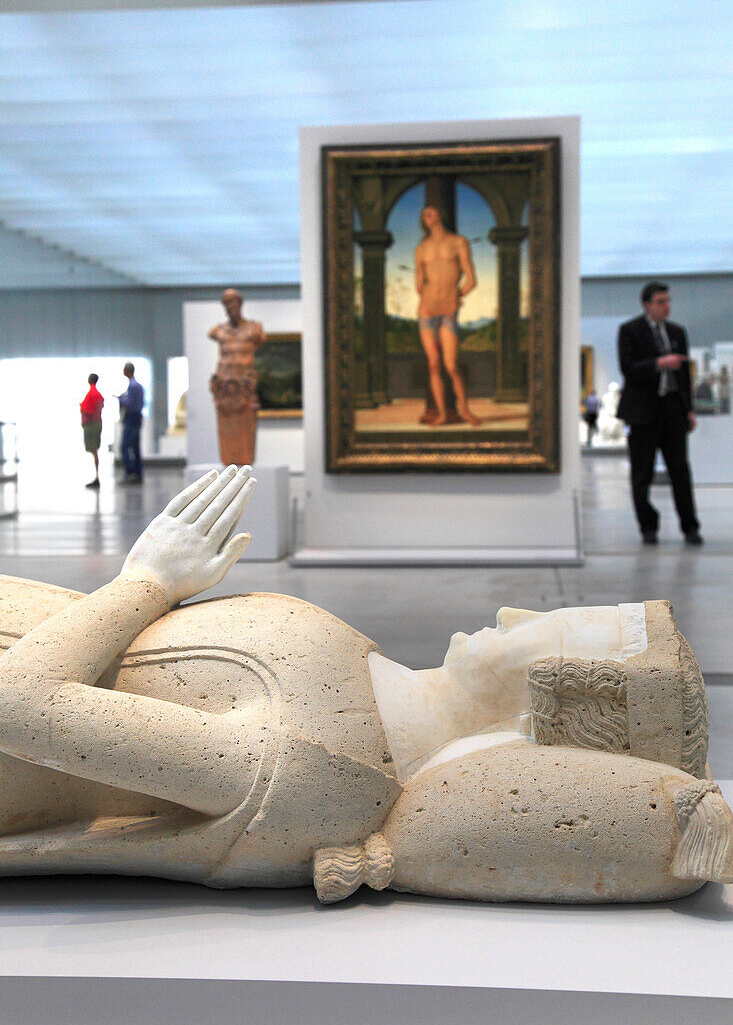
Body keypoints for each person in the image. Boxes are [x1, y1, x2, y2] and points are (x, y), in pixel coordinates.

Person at [0, 469, 730, 903]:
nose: (516, 613)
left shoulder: (319, 765)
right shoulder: (359, 673)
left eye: (556, 626)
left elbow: (18, 707)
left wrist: (146, 581)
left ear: (561, 700)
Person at [617, 282, 702, 545]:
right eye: (661, 302)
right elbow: (628, 368)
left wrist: (688, 409)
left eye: (668, 301)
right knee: (642, 473)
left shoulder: (677, 332)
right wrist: (659, 363)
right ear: (647, 305)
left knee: (680, 470)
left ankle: (690, 527)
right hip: (643, 411)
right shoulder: (630, 331)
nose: (667, 306)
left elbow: (684, 375)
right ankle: (648, 526)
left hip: (672, 409)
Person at [415, 206, 479, 426]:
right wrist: (429, 298)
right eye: (424, 214)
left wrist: (455, 296)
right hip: (426, 312)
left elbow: (471, 280)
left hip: (448, 312)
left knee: (451, 366)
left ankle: (466, 411)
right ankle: (442, 413)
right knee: (434, 364)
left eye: (431, 212)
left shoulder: (458, 242)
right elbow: (418, 283)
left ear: (441, 214)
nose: (427, 216)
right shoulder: (421, 248)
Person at [209, 288, 266, 465]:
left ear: (240, 304)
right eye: (225, 304)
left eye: (232, 302)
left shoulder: (254, 330)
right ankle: (229, 460)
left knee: (245, 431)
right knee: (226, 431)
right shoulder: (218, 331)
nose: (229, 307)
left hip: (245, 389)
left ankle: (244, 459)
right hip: (225, 390)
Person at [118, 362, 144, 484]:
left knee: (125, 445)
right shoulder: (137, 386)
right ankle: (137, 473)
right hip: (137, 418)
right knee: (135, 446)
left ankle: (130, 472)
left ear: (128, 371)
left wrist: (121, 399)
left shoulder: (133, 386)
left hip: (132, 418)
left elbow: (130, 403)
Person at [79, 372, 104, 488]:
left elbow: (89, 410)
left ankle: (96, 476)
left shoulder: (91, 394)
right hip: (97, 423)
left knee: (93, 449)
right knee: (95, 450)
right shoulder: (97, 394)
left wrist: (82, 408)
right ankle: (96, 476)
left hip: (91, 425)